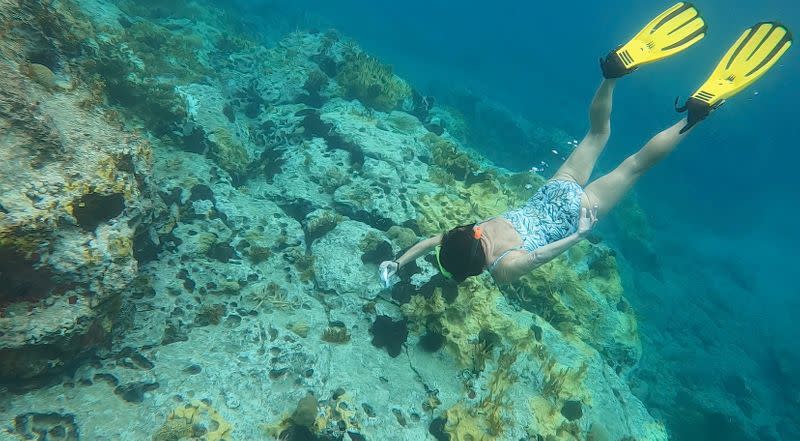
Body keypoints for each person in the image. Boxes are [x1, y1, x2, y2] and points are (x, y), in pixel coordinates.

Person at [379, 3, 792, 286]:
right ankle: (612, 74)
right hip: (553, 192)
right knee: (597, 133)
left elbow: (540, 256)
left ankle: (693, 117)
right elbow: (431, 243)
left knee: (633, 166)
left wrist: (578, 236)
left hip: (574, 214)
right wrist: (397, 261)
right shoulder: (467, 232)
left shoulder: (500, 270)